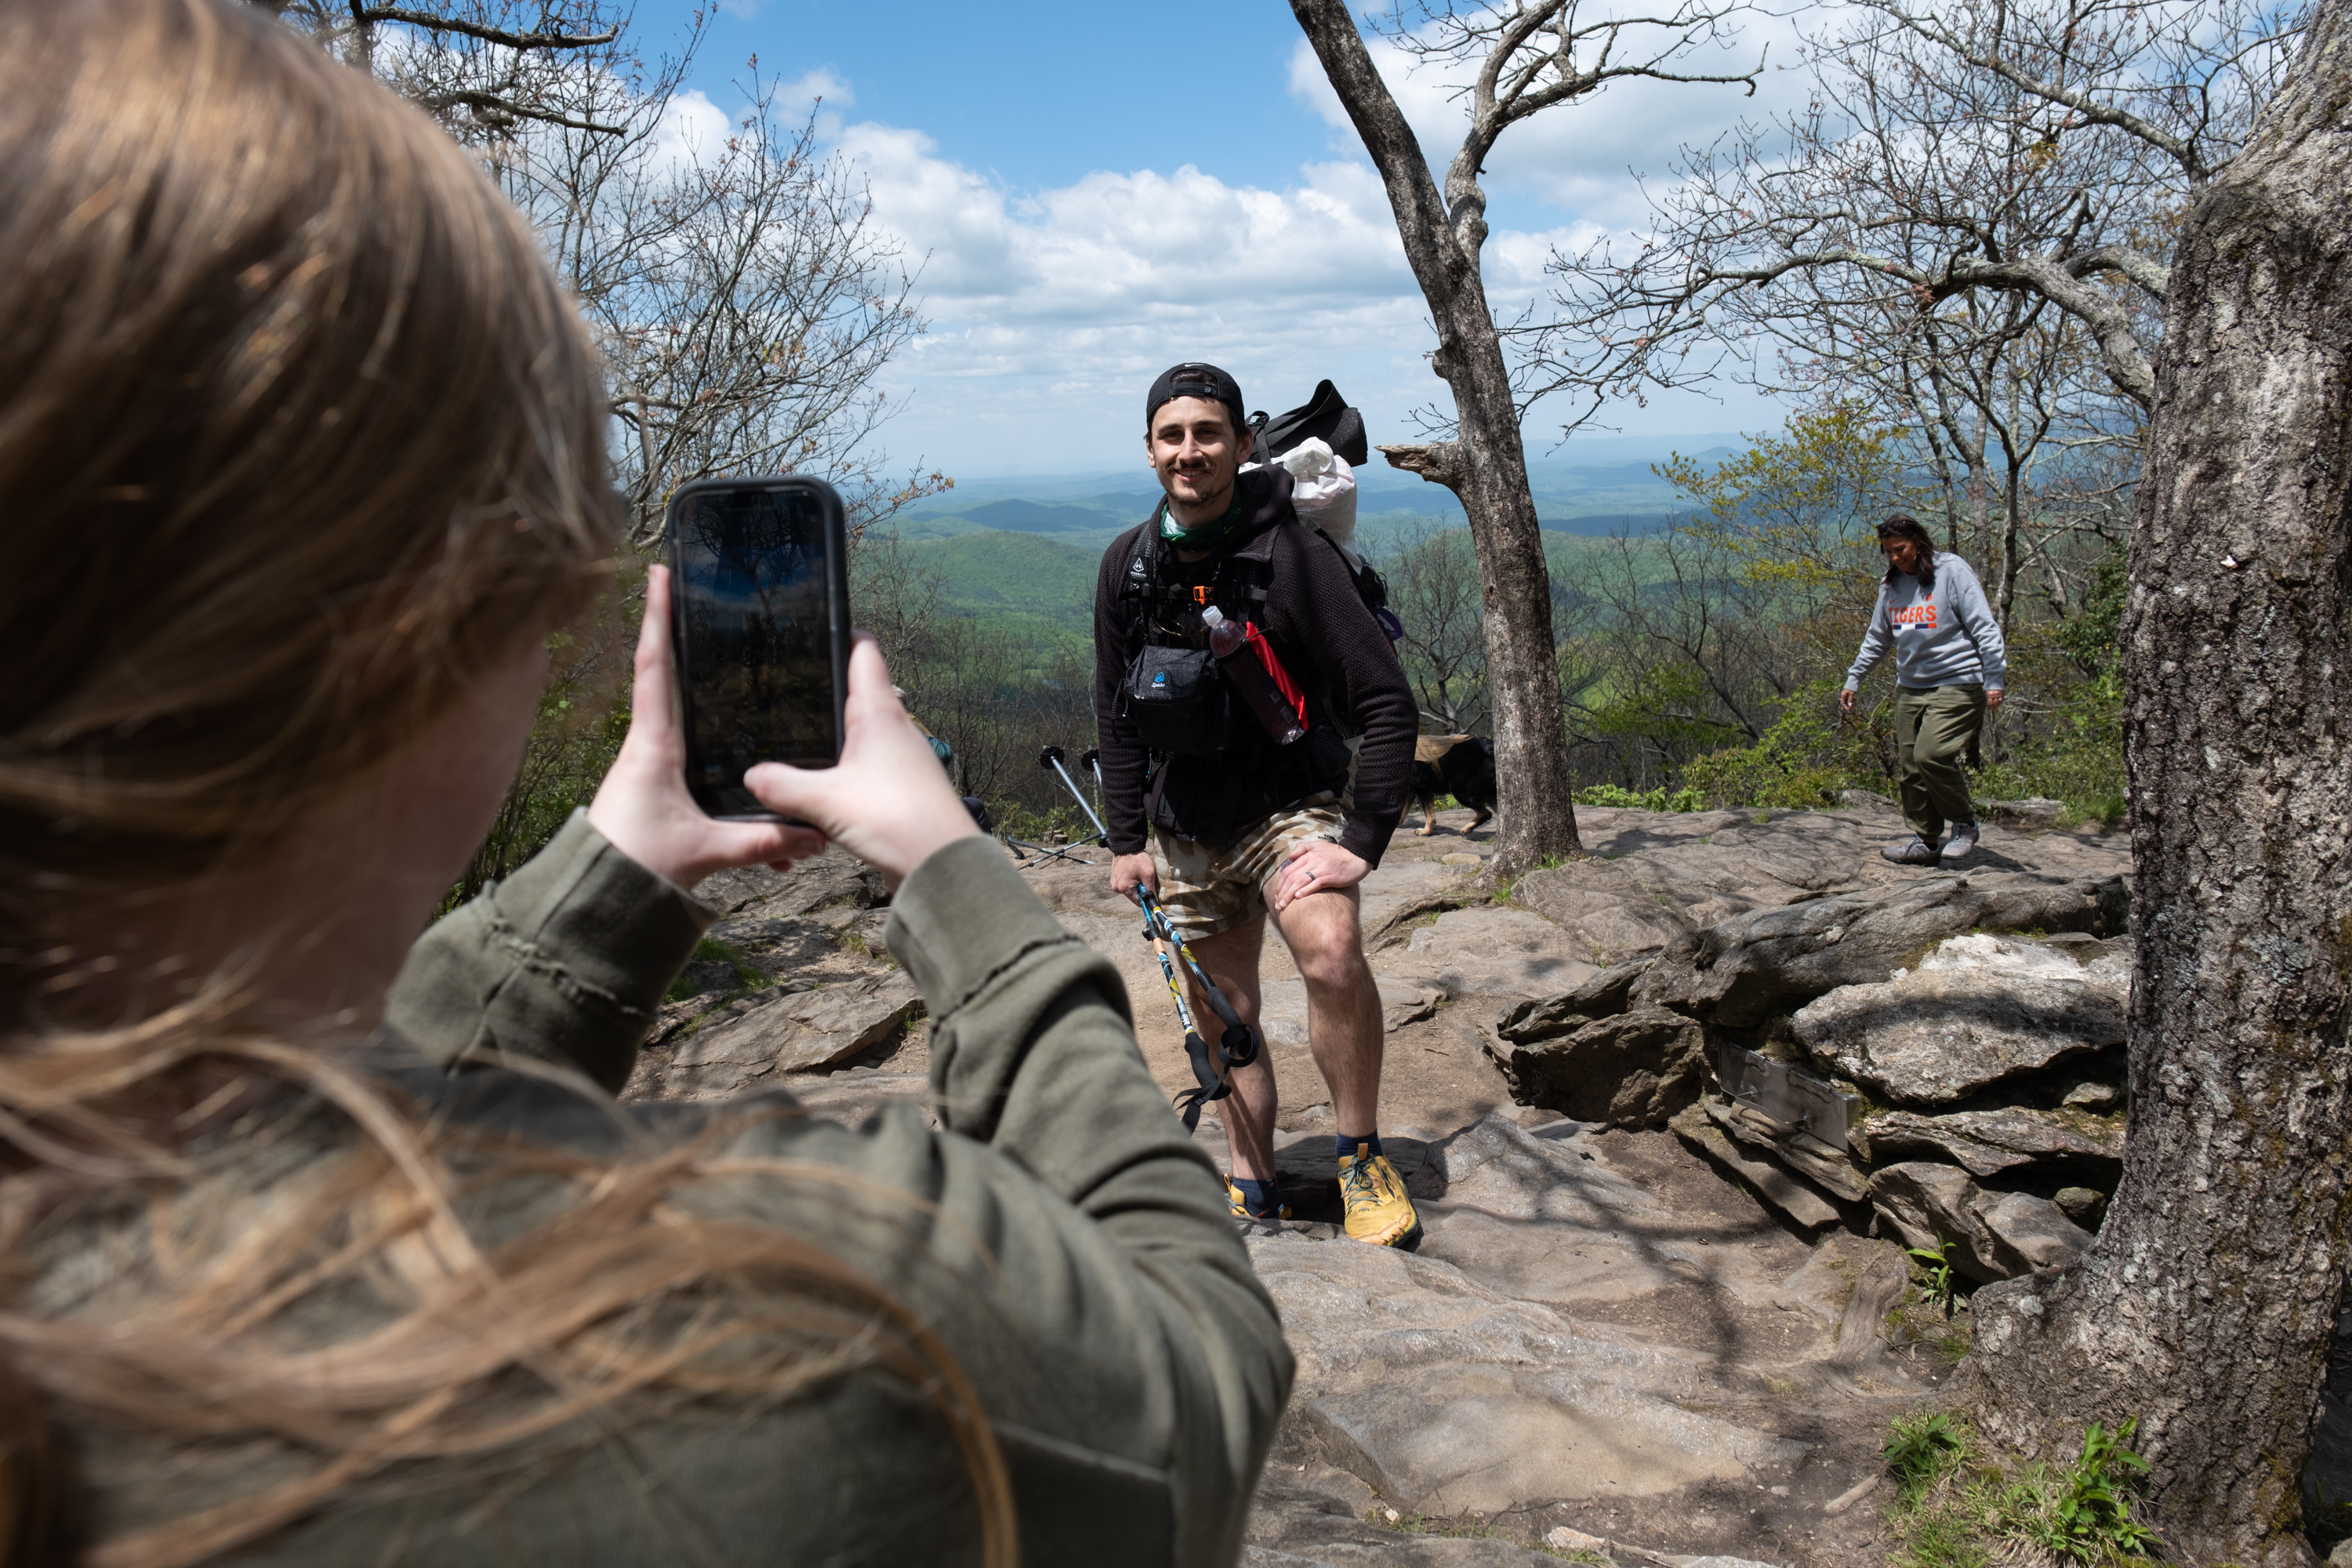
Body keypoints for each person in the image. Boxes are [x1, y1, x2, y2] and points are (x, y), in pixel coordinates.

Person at [0, 5, 1287, 1564]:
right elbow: (1194, 1373)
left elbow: (331, 1117)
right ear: (437, 618)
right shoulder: (799, 1319)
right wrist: (972, 893)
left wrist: (614, 873)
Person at [1091, 364, 1421, 1245]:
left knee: (1331, 948)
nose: (1188, 451)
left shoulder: (1293, 554)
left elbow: (1389, 702)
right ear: (1151, 450)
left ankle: (1358, 1155)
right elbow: (1116, 713)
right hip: (1188, 820)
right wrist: (1128, 838)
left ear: (1242, 445)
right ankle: (1255, 1182)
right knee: (1225, 1017)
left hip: (1290, 799)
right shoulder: (1129, 566)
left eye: (1207, 433)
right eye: (1172, 435)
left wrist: (1362, 838)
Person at [1839, 514, 2009, 865]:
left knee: (1931, 755)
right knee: (1911, 767)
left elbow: (1983, 625)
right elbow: (1878, 636)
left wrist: (1994, 678)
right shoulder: (1891, 585)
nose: (1895, 557)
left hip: (1958, 680)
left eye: (1900, 549)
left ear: (1919, 542)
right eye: (1888, 552)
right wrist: (1855, 677)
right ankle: (1927, 841)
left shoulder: (1952, 571)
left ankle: (1964, 823)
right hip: (1911, 685)